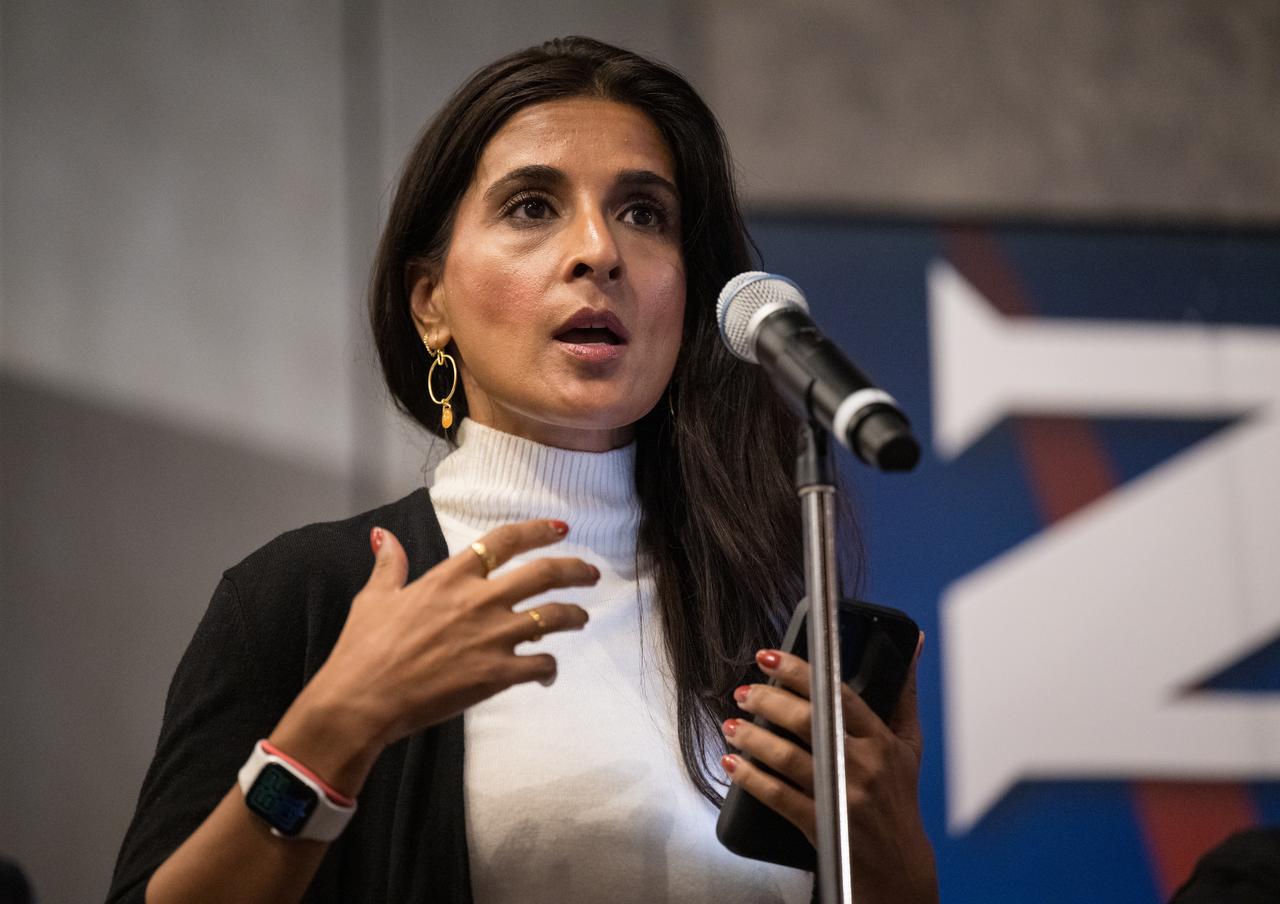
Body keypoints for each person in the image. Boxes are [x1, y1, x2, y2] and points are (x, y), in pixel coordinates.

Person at [107, 36, 938, 904]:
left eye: (644, 214)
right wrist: (331, 733)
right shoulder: (305, 598)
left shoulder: (760, 622)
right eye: (533, 206)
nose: (598, 251)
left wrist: (895, 869)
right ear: (430, 302)